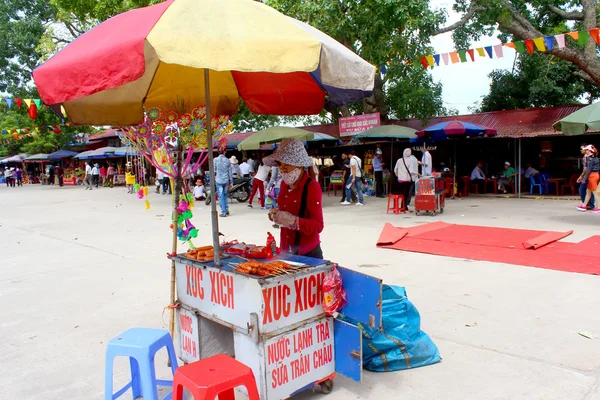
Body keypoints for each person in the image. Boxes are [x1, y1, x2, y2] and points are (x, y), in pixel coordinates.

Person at [264, 138, 324, 258]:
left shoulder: (312, 186)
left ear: (300, 165)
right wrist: (276, 215)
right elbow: (285, 211)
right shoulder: (284, 184)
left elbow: (318, 225)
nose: (282, 168)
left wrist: (294, 222)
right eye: (280, 164)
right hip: (286, 249)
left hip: (308, 253)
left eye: (288, 163)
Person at [577, 145, 600, 212]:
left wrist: (584, 179)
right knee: (588, 192)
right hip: (595, 175)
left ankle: (598, 207)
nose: (585, 151)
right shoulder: (595, 158)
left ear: (589, 150)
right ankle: (584, 205)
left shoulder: (589, 159)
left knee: (595, 193)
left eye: (586, 150)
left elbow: (588, 170)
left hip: (592, 176)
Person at [214, 148, 233, 217]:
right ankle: (226, 208)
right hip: (226, 180)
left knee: (221, 196)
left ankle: (223, 211)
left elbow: (214, 171)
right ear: (224, 152)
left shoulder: (215, 160)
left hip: (218, 180)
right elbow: (230, 172)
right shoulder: (227, 160)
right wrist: (231, 182)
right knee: (225, 195)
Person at [579, 144, 595, 210]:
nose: (581, 150)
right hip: (590, 175)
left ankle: (588, 204)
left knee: (582, 190)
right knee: (589, 190)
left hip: (588, 176)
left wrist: (581, 177)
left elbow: (586, 169)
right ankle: (588, 204)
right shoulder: (589, 156)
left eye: (582, 149)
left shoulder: (587, 157)